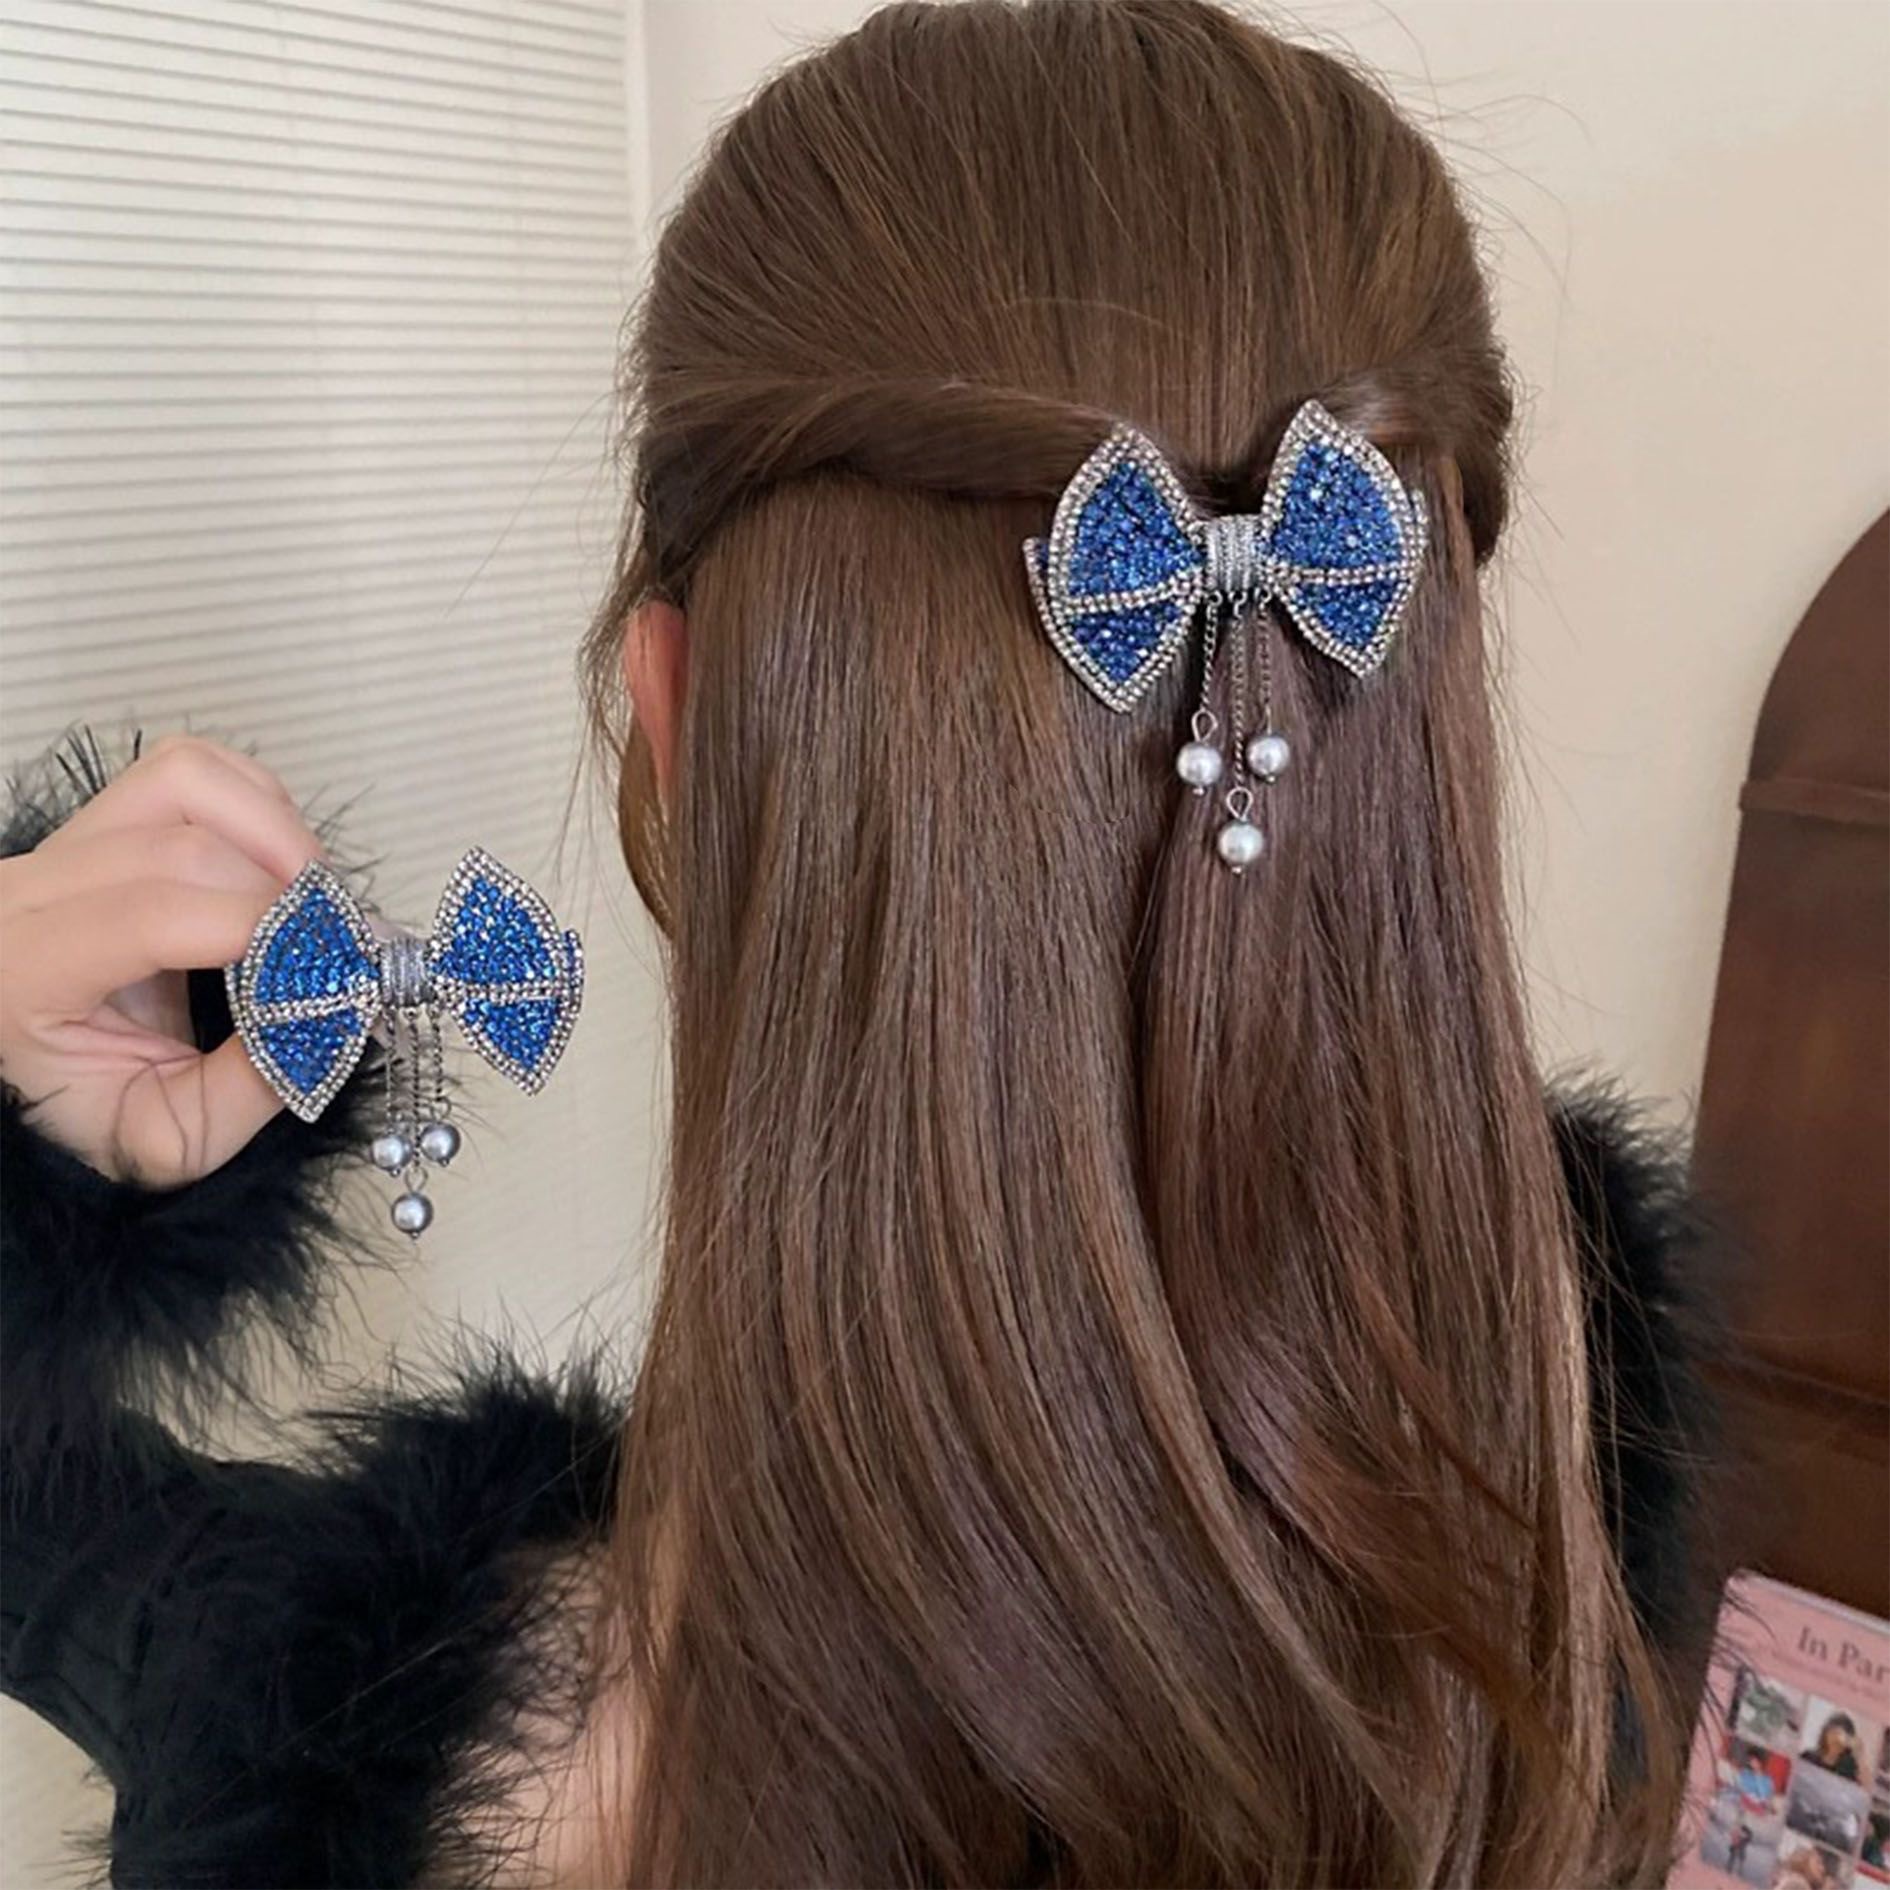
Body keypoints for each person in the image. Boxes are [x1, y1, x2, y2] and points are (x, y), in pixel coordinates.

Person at [0, 1, 1728, 1883]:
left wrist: (40, 1184)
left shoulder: (319, 1728)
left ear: (674, 715)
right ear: (1427, 693)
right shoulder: (1536, 1560)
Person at [1805, 1711, 1864, 1781]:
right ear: (1825, 1733)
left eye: (1839, 1733)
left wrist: (1859, 1756)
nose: (1835, 1738)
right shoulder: (1808, 1757)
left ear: (1849, 1739)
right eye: (1832, 1732)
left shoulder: (1849, 1772)